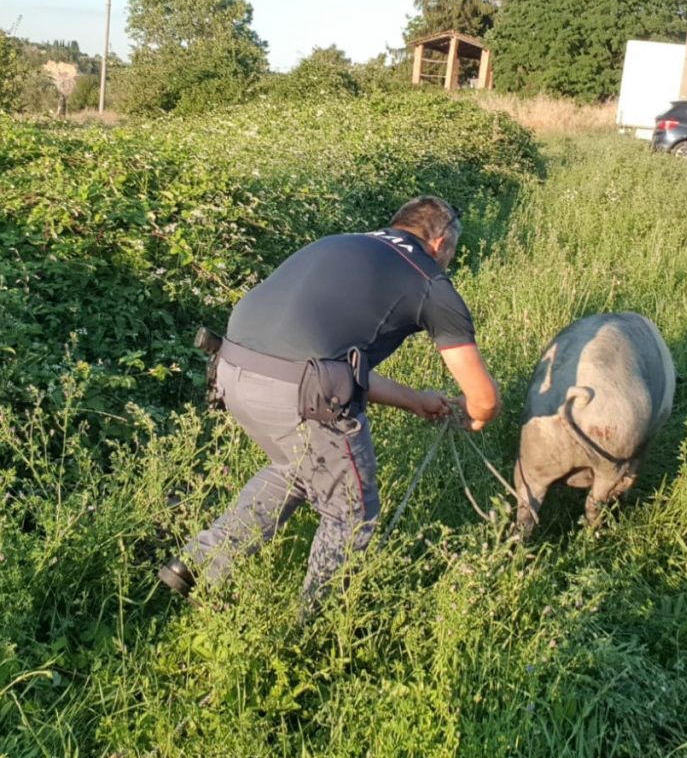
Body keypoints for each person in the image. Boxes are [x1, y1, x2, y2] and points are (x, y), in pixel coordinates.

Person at [158, 196, 501, 611]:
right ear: (442, 241)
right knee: (351, 510)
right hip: (301, 389)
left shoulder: (343, 243)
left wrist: (416, 401)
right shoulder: (428, 280)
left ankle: (199, 564)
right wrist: (476, 416)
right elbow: (483, 399)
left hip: (231, 369)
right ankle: (319, 621)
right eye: (451, 253)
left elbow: (335, 366)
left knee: (296, 471)